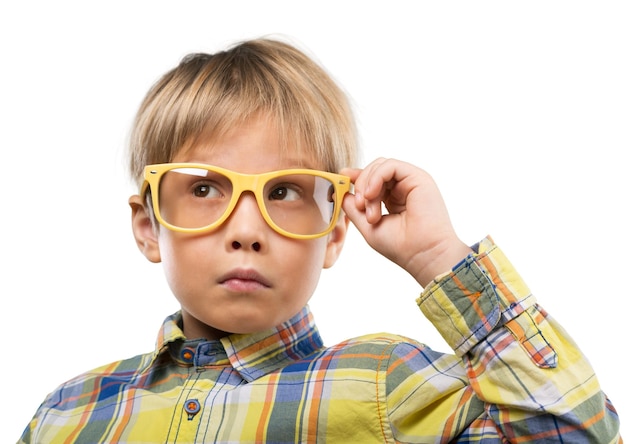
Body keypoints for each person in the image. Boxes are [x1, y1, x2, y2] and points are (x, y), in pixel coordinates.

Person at [19, 37, 621, 443]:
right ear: (150, 226)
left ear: (334, 234)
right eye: (205, 189)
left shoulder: (386, 382)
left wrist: (439, 257)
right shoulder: (69, 415)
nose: (247, 231)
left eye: (284, 192)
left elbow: (573, 427)